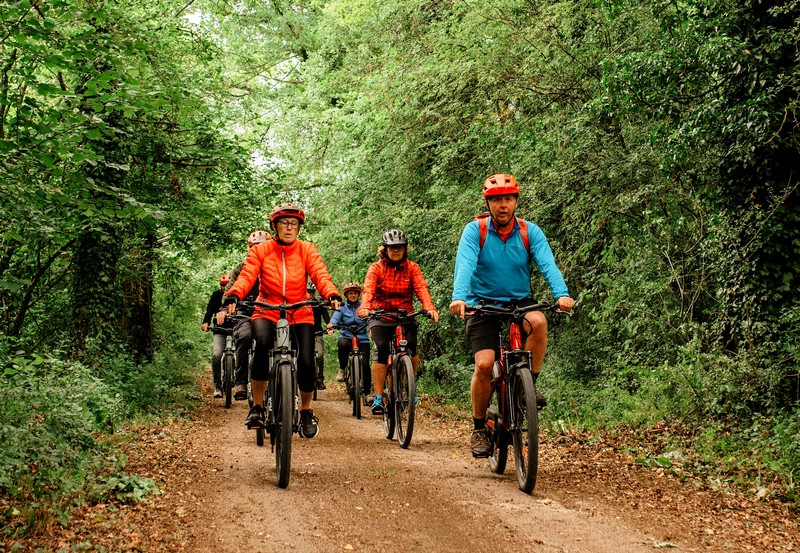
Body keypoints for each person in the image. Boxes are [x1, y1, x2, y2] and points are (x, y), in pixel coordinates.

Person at [449, 173, 575, 458]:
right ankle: (479, 427)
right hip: (481, 303)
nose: (502, 205)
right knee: (484, 364)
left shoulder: (530, 231)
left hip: (519, 302)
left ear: (516, 201)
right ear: (488, 203)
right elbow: (465, 264)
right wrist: (459, 297)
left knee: (539, 322)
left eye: (508, 199)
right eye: (496, 200)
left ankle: (526, 387)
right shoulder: (475, 230)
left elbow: (547, 264)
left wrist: (561, 294)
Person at [225, 203, 340, 438]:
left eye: (294, 223)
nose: (289, 227)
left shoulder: (307, 249)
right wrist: (235, 293)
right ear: (275, 226)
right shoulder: (262, 250)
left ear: (299, 228)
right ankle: (257, 407)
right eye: (284, 223)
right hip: (266, 308)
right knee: (262, 345)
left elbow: (320, 273)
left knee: (308, 360)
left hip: (300, 310)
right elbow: (248, 275)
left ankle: (306, 410)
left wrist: (331, 293)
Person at [357, 229, 439, 415]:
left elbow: (421, 288)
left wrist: (429, 307)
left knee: (412, 346)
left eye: (399, 247)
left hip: (405, 315)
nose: (396, 251)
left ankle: (410, 384)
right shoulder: (376, 268)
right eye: (392, 248)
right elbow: (368, 289)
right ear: (384, 249)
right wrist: (365, 307)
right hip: (380, 315)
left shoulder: (412, 268)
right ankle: (378, 397)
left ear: (405, 249)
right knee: (381, 348)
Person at [220, 230, 272, 400]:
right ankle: (241, 381)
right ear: (249, 249)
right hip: (245, 313)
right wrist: (223, 309)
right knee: (244, 336)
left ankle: (285, 376)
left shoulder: (276, 267)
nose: (258, 250)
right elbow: (229, 292)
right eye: (254, 247)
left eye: (263, 247)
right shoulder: (241, 269)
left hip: (270, 313)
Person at [327, 282, 372, 401]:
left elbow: (370, 316)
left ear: (358, 294)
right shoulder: (342, 308)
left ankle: (367, 394)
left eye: (355, 293)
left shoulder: (363, 306)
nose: (353, 295)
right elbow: (335, 318)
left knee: (366, 364)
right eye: (350, 293)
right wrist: (331, 325)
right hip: (346, 335)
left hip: (362, 337)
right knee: (342, 344)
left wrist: (371, 319)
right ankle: (342, 368)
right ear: (346, 295)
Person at [201, 273, 232, 398]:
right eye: (223, 286)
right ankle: (217, 385)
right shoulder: (216, 295)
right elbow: (210, 310)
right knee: (216, 355)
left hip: (236, 330)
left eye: (228, 285)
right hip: (220, 330)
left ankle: (246, 384)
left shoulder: (238, 295)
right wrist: (205, 322)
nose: (225, 288)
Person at [306, 282, 331, 390]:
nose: (310, 295)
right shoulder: (300, 304)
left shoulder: (318, 303)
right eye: (308, 292)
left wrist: (330, 327)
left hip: (317, 333)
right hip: (304, 334)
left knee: (319, 355)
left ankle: (320, 380)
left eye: (311, 292)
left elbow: (326, 316)